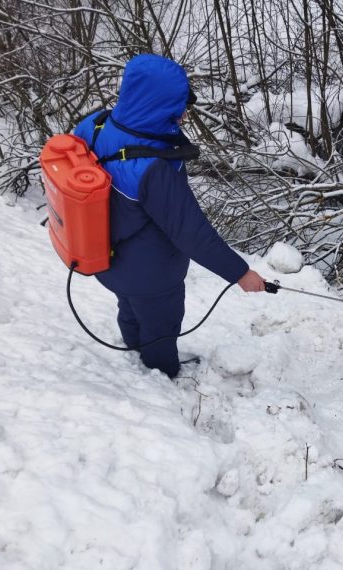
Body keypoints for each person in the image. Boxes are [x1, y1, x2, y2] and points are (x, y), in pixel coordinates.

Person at [72, 54, 267, 379]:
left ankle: (135, 349)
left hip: (105, 257)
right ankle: (161, 374)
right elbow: (191, 233)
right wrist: (240, 273)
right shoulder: (153, 169)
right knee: (161, 326)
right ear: (161, 105)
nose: (185, 113)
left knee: (130, 305)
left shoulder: (95, 124)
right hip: (153, 275)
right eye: (179, 106)